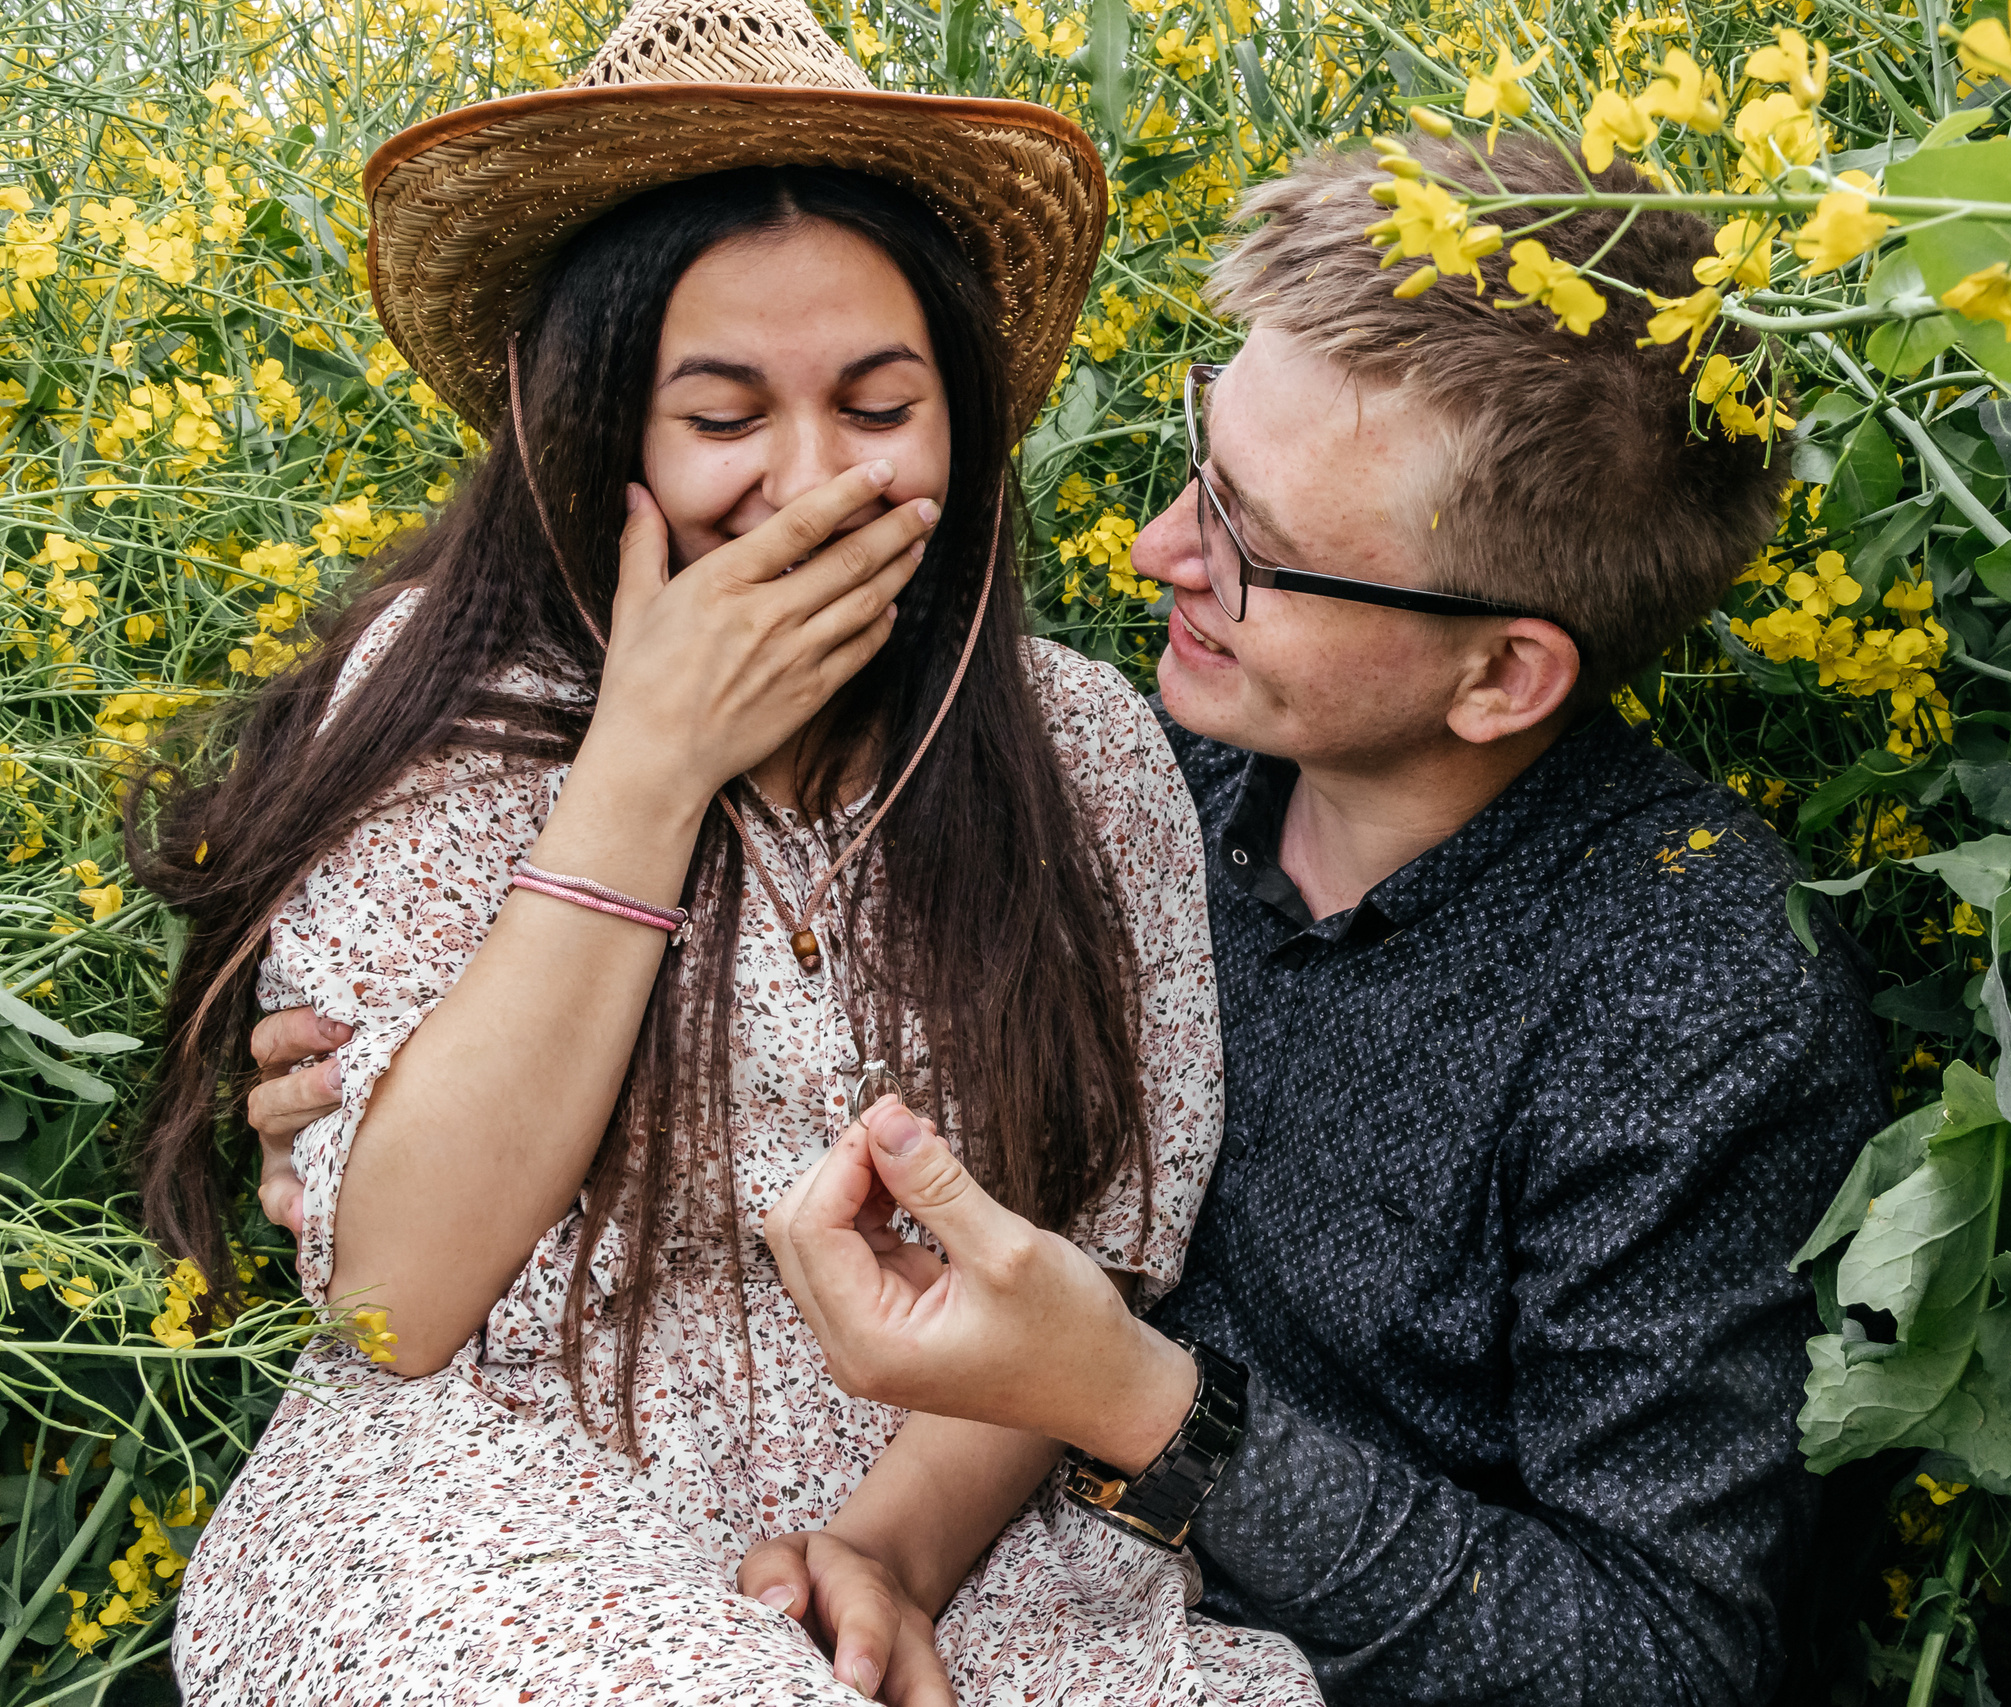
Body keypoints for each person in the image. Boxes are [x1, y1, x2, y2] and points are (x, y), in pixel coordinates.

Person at [246, 126, 1890, 1705]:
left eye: (1253, 544)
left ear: (1503, 675)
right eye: (1199, 463)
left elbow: (1662, 1655)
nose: (1156, 547)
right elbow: (411, 1261)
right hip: (628, 1539)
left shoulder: (1685, 989)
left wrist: (1135, 1403)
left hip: (1106, 1603)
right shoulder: (1175, 745)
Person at [131, 2, 1319, 1702]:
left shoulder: (1083, 749)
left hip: (957, 1554)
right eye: (723, 413)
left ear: (964, 429)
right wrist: (649, 762)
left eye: (879, 402)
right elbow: (399, 1294)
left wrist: (887, 1553)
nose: (815, 483)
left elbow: (1099, 1239)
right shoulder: (444, 708)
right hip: (497, 1527)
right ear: (603, 428)